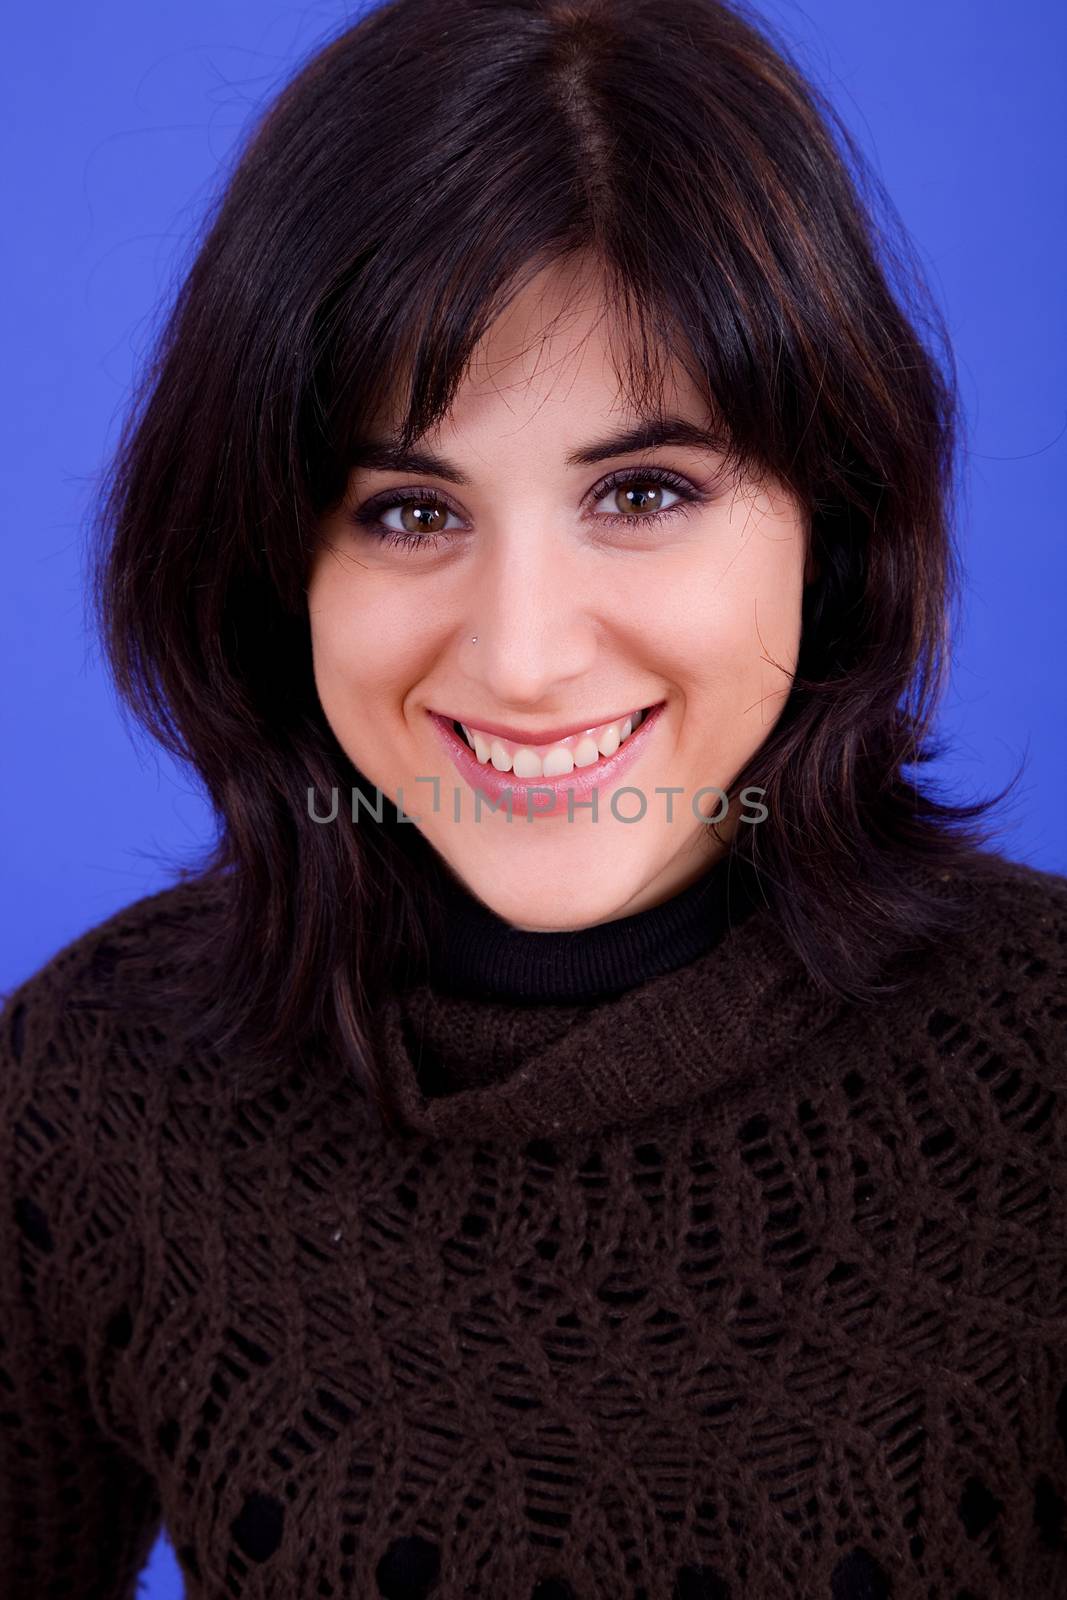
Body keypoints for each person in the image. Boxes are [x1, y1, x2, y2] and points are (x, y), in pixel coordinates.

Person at [2, 0, 1065, 1595]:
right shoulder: (93, 1098)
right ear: (270, 560)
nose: (521, 655)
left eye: (642, 493)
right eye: (410, 510)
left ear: (828, 522)